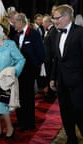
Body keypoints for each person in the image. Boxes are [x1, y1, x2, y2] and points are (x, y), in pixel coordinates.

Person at [50, 4, 83, 144]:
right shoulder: (56, 34)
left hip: (78, 83)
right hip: (62, 82)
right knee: (66, 113)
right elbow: (57, 59)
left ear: (67, 17)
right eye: (53, 18)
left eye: (57, 18)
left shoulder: (80, 32)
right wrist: (53, 78)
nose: (55, 21)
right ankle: (71, 138)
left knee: (80, 113)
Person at [12, 12, 45, 132]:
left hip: (29, 72)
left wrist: (34, 68)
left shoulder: (34, 34)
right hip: (18, 72)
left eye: (14, 22)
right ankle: (21, 120)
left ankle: (29, 123)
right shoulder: (16, 35)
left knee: (28, 98)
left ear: (21, 22)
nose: (13, 24)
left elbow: (41, 54)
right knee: (19, 97)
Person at [42, 15, 58, 99]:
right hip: (48, 59)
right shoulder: (50, 31)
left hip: (50, 59)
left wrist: (52, 58)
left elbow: (53, 46)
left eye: (43, 22)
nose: (42, 24)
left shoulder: (53, 31)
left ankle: (51, 94)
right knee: (48, 77)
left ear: (47, 22)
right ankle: (50, 93)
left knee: (50, 77)